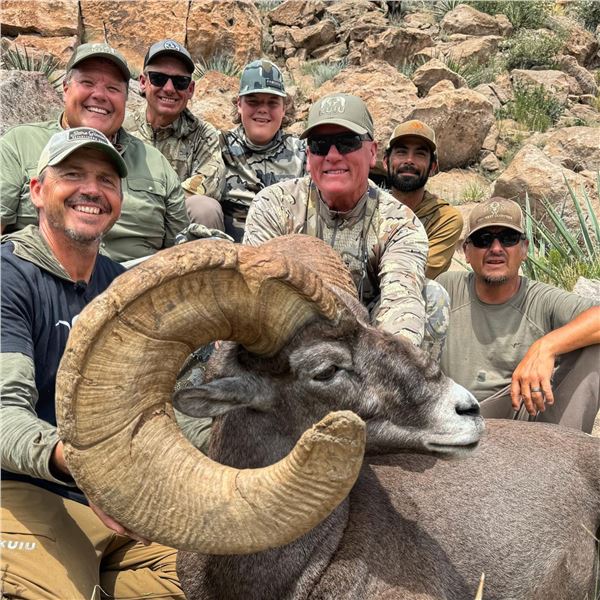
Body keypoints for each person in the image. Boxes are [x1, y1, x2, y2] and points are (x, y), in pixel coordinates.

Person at [0, 127, 186, 598]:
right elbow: (3, 415)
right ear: (37, 191)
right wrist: (87, 467)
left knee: (203, 577)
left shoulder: (123, 287)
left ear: (119, 200)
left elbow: (152, 404)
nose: (92, 190)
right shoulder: (9, 278)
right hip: (23, 487)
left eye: (107, 180)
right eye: (72, 174)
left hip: (115, 497)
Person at [244, 93, 448, 355]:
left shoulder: (400, 223)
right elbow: (257, 292)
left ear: (372, 152)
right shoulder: (274, 204)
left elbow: (401, 301)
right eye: (320, 145)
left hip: (368, 340)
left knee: (433, 297)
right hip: (294, 335)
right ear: (309, 155)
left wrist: (383, 360)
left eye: (346, 143)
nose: (332, 155)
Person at [0, 42, 189, 263]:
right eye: (87, 83)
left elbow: (182, 251)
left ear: (126, 98)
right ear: (65, 88)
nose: (99, 95)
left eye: (113, 88)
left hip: (138, 280)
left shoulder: (156, 163)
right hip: (40, 278)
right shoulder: (19, 144)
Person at [438, 197, 600, 433]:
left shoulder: (541, 299)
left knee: (594, 348)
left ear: (524, 248)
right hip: (454, 416)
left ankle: (565, 447)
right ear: (466, 251)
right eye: (483, 239)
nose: (496, 249)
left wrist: (546, 347)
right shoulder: (446, 289)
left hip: (522, 412)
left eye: (508, 238)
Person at [187, 59, 306, 241]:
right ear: (239, 105)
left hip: (285, 246)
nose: (263, 110)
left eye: (272, 103)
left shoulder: (305, 152)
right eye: (253, 101)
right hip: (229, 249)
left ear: (284, 109)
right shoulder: (217, 145)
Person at [125, 38, 226, 229]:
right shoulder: (121, 128)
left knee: (205, 208)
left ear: (190, 89)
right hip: (129, 219)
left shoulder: (203, 135)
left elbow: (210, 183)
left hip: (177, 223)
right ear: (143, 82)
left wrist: (156, 206)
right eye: (159, 78)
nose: (169, 89)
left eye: (180, 82)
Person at [383, 119, 463, 279]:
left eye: (419, 154)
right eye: (401, 152)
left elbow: (418, 273)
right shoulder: (370, 206)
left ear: (432, 167)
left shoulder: (444, 219)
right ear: (386, 162)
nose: (409, 160)